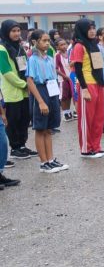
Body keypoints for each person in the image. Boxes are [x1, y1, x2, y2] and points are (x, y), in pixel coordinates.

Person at [26, 30, 68, 173]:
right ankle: (43, 162)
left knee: (49, 128)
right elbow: (30, 81)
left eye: (48, 41)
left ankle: (50, 159)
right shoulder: (32, 59)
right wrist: (40, 101)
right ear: (35, 42)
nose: (47, 43)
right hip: (41, 90)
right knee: (40, 128)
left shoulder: (49, 58)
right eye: (44, 40)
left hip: (52, 90)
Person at [69, 18, 104, 158]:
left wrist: (102, 84)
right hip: (86, 84)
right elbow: (78, 69)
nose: (92, 31)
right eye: (89, 28)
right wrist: (84, 88)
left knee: (99, 118)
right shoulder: (79, 46)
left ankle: (96, 147)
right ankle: (86, 149)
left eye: (93, 28)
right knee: (87, 119)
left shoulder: (94, 44)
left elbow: (99, 66)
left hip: (97, 84)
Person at [0, 20, 37, 160]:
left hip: (24, 90)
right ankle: (15, 148)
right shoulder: (2, 49)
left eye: (18, 31)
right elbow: (6, 72)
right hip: (12, 91)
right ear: (6, 32)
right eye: (13, 31)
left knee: (24, 118)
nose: (16, 34)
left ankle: (22, 145)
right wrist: (24, 84)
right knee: (13, 119)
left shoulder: (19, 47)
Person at [54, 38, 75, 122]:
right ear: (57, 47)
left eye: (65, 44)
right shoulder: (57, 56)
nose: (64, 46)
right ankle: (65, 113)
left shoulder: (69, 53)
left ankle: (69, 111)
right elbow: (55, 69)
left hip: (71, 77)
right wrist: (65, 76)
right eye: (61, 45)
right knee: (64, 96)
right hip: (63, 79)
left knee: (70, 95)